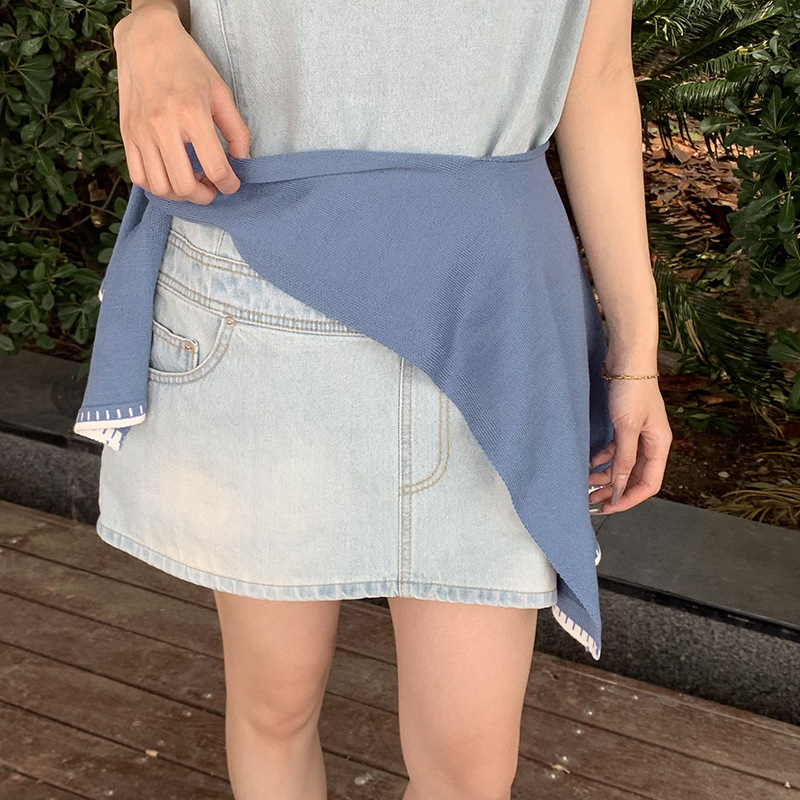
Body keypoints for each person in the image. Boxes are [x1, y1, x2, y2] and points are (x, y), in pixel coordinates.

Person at [102, 1, 673, 798]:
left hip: (491, 317)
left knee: (470, 768)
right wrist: (147, 22)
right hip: (264, 295)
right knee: (275, 705)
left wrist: (636, 357)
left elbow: (600, 72)